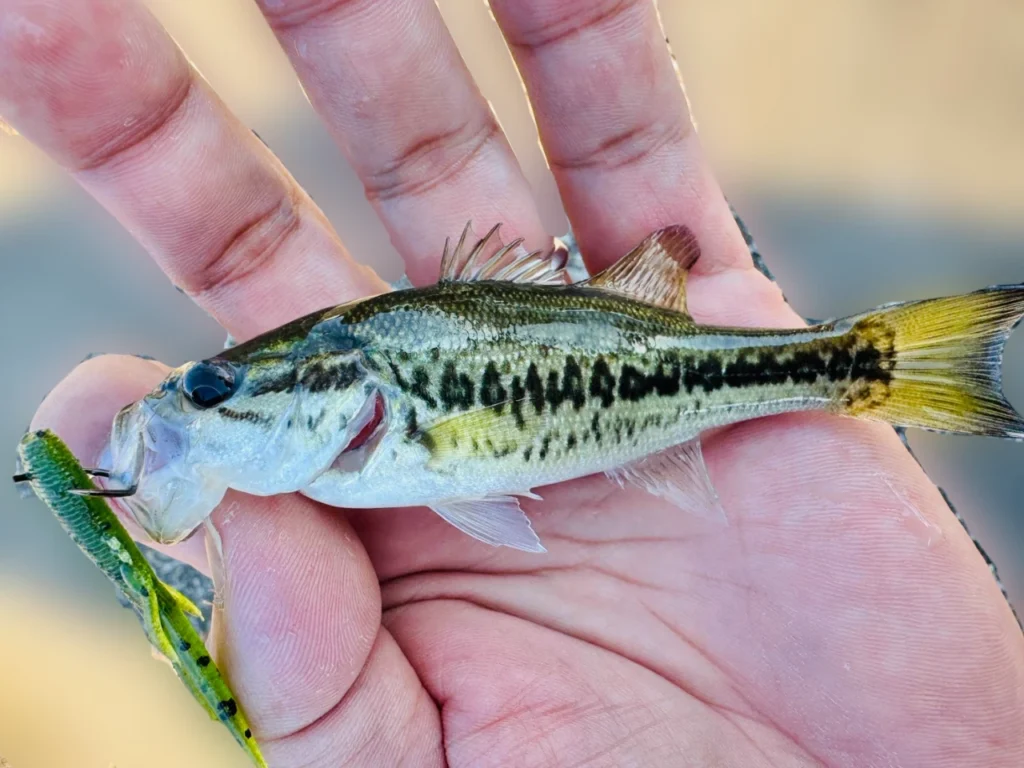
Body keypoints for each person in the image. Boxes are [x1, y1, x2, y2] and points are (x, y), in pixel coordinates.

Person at [3, 1, 1021, 765]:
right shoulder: (345, 459)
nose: (204, 401)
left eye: (221, 384)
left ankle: (864, 363)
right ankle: (863, 364)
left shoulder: (364, 440)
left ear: (327, 380)